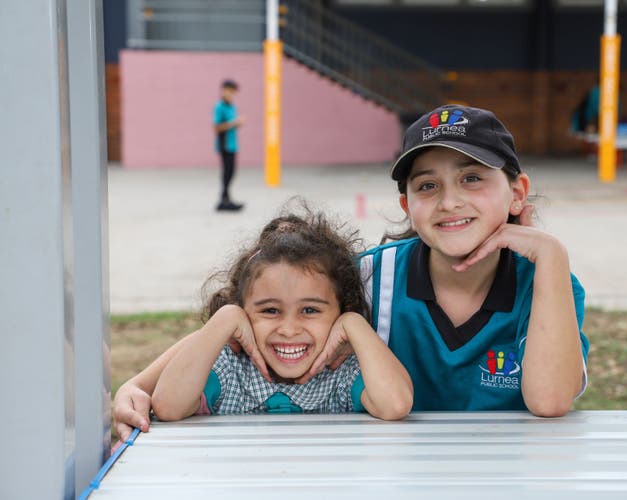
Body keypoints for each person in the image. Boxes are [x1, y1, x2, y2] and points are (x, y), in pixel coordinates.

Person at [113, 105, 588, 441]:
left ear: (517, 192)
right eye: (427, 186)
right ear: (407, 205)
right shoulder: (373, 274)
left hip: (507, 469)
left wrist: (552, 254)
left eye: (472, 178)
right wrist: (139, 385)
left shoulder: (550, 285)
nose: (449, 201)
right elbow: (250, 323)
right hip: (388, 467)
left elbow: (549, 402)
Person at [129, 209, 414, 429]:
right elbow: (168, 407)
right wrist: (226, 318)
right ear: (244, 312)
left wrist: (353, 323)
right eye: (270, 310)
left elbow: (396, 405)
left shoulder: (341, 371)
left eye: (310, 310)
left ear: (340, 310)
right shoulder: (229, 366)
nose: (288, 330)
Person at [214, 79, 245, 211]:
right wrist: (234, 123)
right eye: (229, 91)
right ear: (223, 90)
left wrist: (237, 124)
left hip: (232, 144)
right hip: (224, 144)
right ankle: (224, 200)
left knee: (231, 172)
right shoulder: (219, 107)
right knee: (227, 172)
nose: (231, 94)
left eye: (233, 92)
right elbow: (217, 127)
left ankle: (225, 198)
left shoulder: (232, 107)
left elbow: (231, 125)